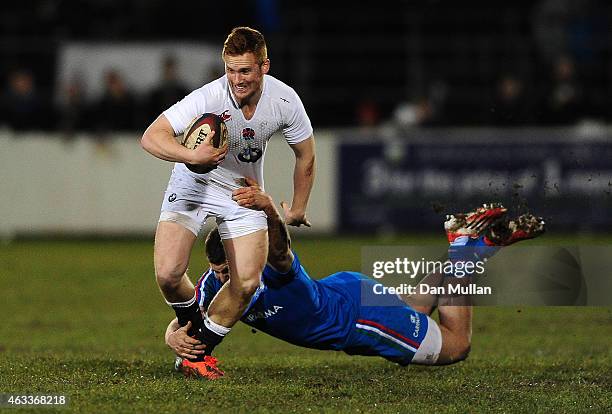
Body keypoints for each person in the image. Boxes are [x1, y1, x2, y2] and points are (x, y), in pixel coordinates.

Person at [165, 181, 544, 379]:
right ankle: (472, 242)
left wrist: (269, 211)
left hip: (359, 319)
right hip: (347, 292)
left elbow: (280, 251)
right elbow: (185, 320)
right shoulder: (215, 285)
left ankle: (465, 248)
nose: (223, 278)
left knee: (456, 345)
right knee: (413, 310)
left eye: (229, 269)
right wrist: (173, 337)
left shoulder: (272, 272)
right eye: (218, 271)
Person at [141, 27, 316, 375]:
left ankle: (195, 353)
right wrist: (190, 155)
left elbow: (306, 155)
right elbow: (151, 137)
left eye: (245, 71)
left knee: (247, 283)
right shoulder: (208, 97)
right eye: (231, 70)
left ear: (264, 66)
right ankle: (193, 335)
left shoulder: (285, 100)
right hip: (193, 181)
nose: (237, 79)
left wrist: (297, 207)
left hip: (242, 190)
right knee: (169, 274)